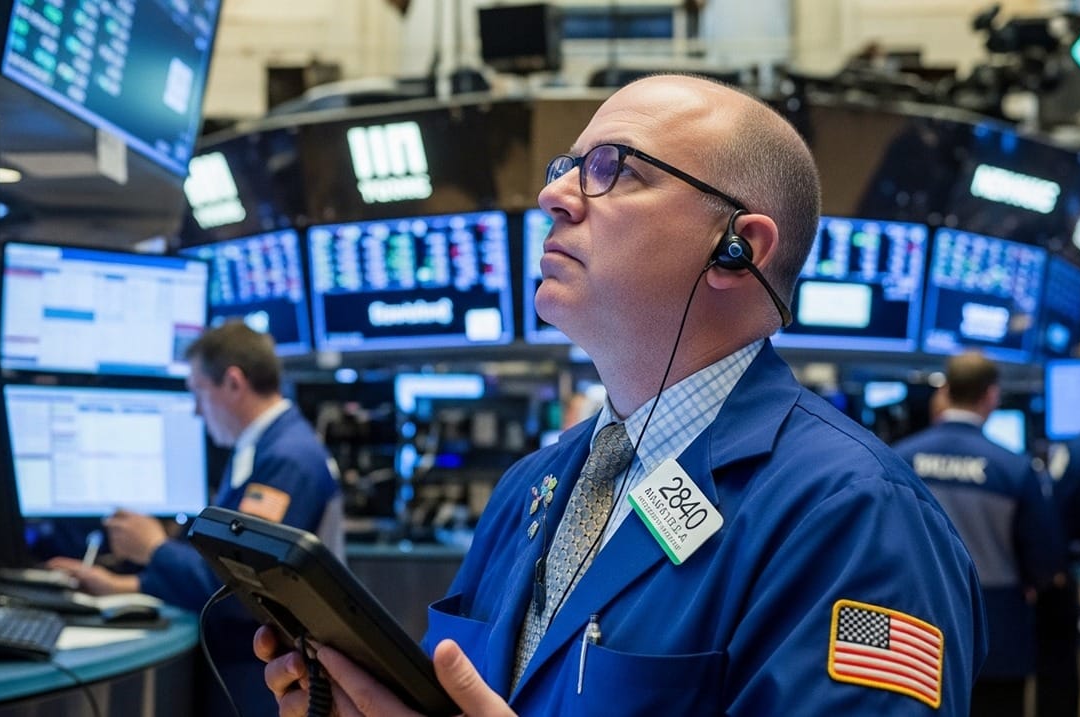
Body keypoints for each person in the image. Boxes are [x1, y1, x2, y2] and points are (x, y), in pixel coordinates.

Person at [256, 73, 987, 716]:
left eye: (613, 168)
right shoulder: (529, 489)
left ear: (739, 249)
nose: (551, 196)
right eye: (565, 166)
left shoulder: (853, 515)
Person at [50, 321, 343, 717]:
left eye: (198, 393)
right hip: (255, 664)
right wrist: (124, 585)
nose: (195, 409)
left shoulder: (286, 459)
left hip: (264, 673)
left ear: (234, 383)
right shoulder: (265, 449)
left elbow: (239, 583)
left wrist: (154, 548)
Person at [891, 351, 1062, 717]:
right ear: (991, 395)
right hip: (997, 632)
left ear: (947, 390)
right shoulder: (1014, 468)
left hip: (916, 633)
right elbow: (1045, 558)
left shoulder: (899, 459)